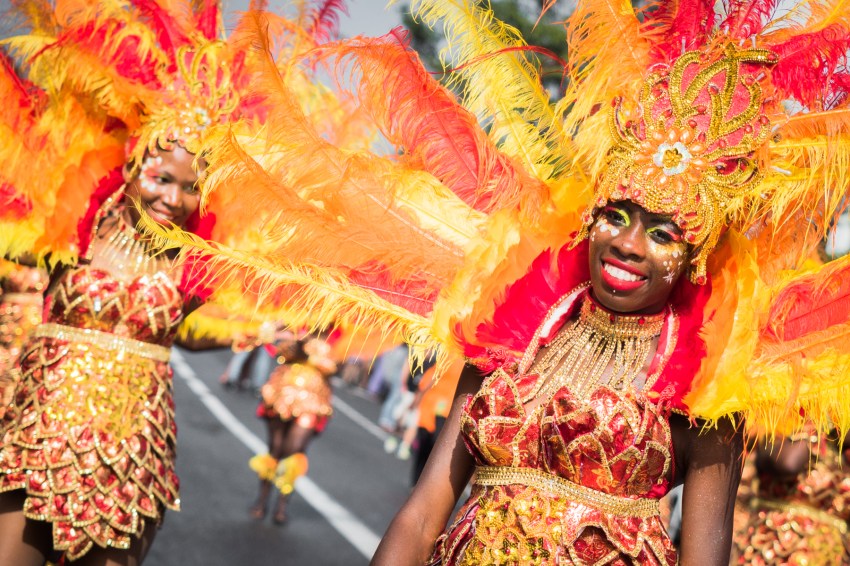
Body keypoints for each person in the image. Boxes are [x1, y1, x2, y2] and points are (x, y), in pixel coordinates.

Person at [145, 0, 850, 563]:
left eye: (663, 232)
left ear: (693, 255)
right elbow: (425, 510)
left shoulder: (708, 381)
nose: (628, 245)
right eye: (618, 215)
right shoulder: (520, 319)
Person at [0, 0, 327, 561]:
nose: (172, 199)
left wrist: (257, 331)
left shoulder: (197, 257)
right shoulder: (76, 216)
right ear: (133, 164)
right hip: (42, 426)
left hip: (135, 446)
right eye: (161, 178)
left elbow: (198, 330)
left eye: (190, 187)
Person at [249, 331, 337, 524]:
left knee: (294, 453)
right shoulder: (296, 324)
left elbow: (333, 366)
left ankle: (281, 505)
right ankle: (262, 500)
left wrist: (314, 354)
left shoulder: (338, 337)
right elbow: (278, 351)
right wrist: (298, 342)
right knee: (275, 450)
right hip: (281, 393)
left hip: (312, 400)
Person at [733, 432, 850, 565]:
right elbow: (787, 463)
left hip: (834, 555)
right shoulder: (811, 424)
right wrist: (819, 423)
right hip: (775, 547)